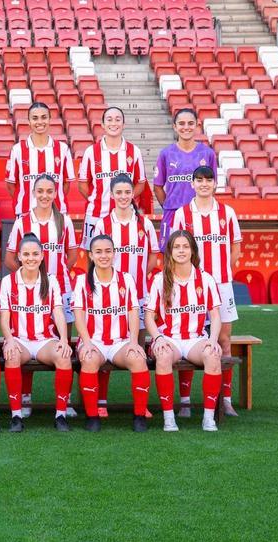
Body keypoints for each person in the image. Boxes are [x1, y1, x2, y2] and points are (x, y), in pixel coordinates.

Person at [3, 174, 79, 418]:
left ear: (56, 193)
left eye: (49, 191)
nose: (45, 195)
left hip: (61, 290)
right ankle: (25, 397)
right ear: (33, 193)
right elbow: (9, 258)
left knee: (63, 343)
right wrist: (30, 279)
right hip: (30, 291)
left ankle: (64, 402)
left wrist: (53, 279)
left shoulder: (64, 220)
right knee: (25, 334)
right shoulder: (22, 222)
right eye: (40, 191)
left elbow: (73, 255)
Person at [170, 166, 242, 417]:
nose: (204, 184)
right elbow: (175, 249)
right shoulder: (182, 214)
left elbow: (235, 248)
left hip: (221, 284)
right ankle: (186, 402)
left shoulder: (227, 213)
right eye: (199, 180)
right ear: (192, 184)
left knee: (224, 339)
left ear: (215, 184)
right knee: (187, 336)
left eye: (208, 180)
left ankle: (226, 399)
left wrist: (223, 274)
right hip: (191, 284)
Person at [86, 173, 159, 417]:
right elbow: (95, 257)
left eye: (128, 192)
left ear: (133, 194)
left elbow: (152, 257)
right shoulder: (103, 224)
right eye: (119, 192)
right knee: (105, 339)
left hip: (136, 295)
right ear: (112, 194)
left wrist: (136, 279)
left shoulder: (144, 224)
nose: (124, 196)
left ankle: (141, 403)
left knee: (136, 347)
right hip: (107, 296)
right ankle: (102, 402)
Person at [145, 230, 225, 432]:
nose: (181, 251)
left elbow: (215, 315)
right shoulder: (160, 280)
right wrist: (158, 338)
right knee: (162, 357)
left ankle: (208, 418)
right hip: (169, 338)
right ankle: (169, 417)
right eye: (177, 247)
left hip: (195, 339)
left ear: (193, 251)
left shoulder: (205, 279)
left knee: (213, 355)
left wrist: (213, 339)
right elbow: (149, 317)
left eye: (185, 246)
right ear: (170, 251)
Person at [73, 234, 151, 433]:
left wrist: (134, 342)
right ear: (90, 255)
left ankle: (139, 415)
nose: (104, 256)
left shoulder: (126, 279)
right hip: (94, 341)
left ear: (114, 253)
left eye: (108, 251)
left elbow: (134, 312)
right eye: (98, 252)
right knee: (89, 359)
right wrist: (87, 342)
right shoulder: (82, 281)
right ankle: (92, 416)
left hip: (120, 342)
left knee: (138, 359)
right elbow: (79, 315)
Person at [0, 234, 74, 433]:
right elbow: (4, 318)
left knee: (64, 356)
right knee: (12, 355)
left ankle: (61, 415)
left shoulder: (51, 281)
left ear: (42, 256)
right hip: (19, 340)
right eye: (26, 254)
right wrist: (9, 341)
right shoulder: (8, 282)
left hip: (44, 340)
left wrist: (64, 340)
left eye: (35, 254)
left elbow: (58, 313)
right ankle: (16, 415)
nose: (31, 258)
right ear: (19, 257)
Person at [77, 106, 150, 245]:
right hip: (96, 215)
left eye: (118, 120)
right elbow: (82, 185)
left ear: (123, 124)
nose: (113, 123)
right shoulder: (91, 152)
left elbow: (140, 183)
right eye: (109, 120)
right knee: (92, 254)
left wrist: (125, 198)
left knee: (123, 253)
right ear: (103, 125)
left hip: (125, 216)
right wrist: (96, 199)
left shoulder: (134, 151)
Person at [153, 107, 216, 249]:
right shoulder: (166, 154)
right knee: (170, 257)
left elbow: (213, 185)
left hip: (199, 213)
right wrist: (168, 205)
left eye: (190, 123)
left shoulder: (207, 154)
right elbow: (157, 186)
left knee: (199, 255)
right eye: (181, 123)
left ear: (197, 125)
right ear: (174, 126)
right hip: (172, 213)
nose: (186, 127)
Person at [6, 102, 76, 217]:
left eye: (44, 117)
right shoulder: (17, 150)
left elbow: (65, 185)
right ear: (29, 121)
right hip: (26, 213)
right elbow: (10, 185)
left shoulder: (63, 149)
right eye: (35, 118)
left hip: (57, 213)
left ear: (49, 120)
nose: (39, 122)